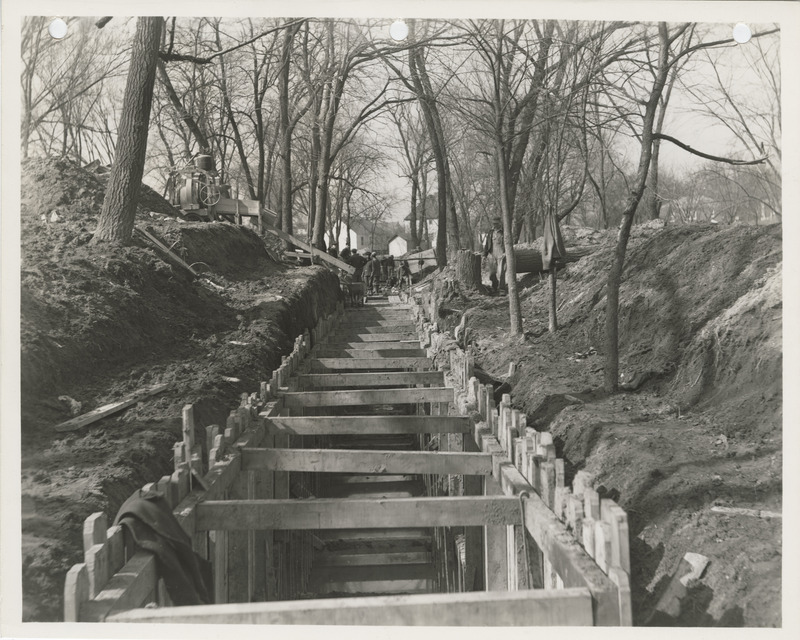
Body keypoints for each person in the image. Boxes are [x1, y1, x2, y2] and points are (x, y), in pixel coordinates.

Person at [482, 216, 507, 294]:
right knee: (492, 274)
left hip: (501, 254)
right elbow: (487, 244)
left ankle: (502, 289)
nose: (494, 225)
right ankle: (494, 286)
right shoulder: (491, 232)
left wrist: (506, 253)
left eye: (496, 223)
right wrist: (484, 254)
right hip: (492, 254)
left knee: (501, 273)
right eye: (493, 223)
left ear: (500, 223)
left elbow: (508, 243)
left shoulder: (504, 231)